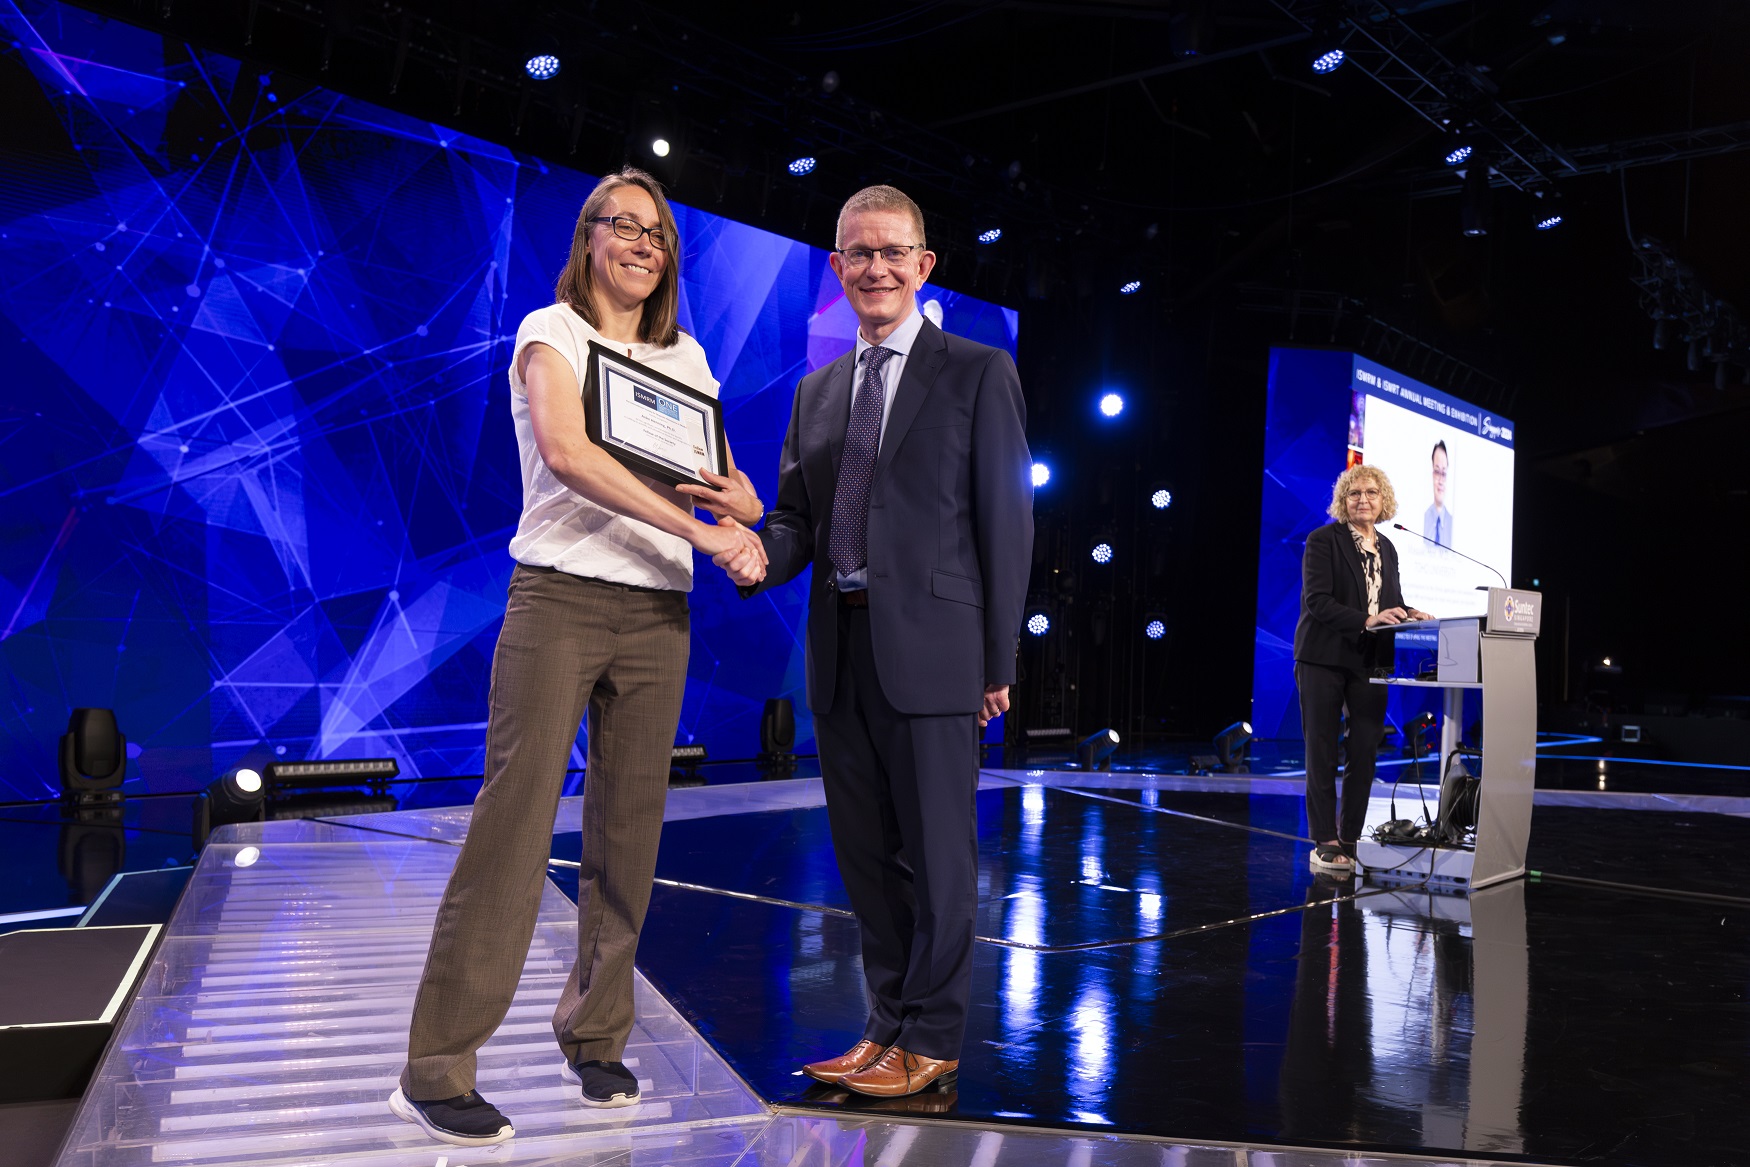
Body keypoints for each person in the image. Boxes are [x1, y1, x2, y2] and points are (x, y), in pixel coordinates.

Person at [389, 168, 768, 1147]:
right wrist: (702, 531)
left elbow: (737, 494)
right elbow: (566, 452)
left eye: (657, 234)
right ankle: (433, 1070)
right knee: (513, 830)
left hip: (658, 617)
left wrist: (738, 520)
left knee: (626, 842)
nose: (642, 244)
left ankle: (596, 1038)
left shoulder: (685, 357)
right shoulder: (548, 333)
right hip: (558, 597)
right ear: (589, 236)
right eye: (623, 226)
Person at [717, 185, 1033, 1098]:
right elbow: (796, 525)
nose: (877, 268)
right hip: (841, 653)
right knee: (864, 859)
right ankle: (883, 1024)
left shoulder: (977, 371)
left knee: (937, 862)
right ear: (837, 266)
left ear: (925, 264)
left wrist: (998, 662)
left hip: (938, 654)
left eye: (894, 252)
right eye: (859, 253)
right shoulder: (819, 392)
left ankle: (932, 1038)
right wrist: (750, 547)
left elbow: (1007, 524)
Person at [1293, 464, 1430, 876]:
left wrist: (1409, 612)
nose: (1363, 499)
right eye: (1354, 493)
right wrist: (1368, 620)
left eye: (1371, 492)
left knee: (1365, 748)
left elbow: (1391, 598)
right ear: (1343, 501)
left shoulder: (1388, 546)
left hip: (1369, 660)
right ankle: (1325, 840)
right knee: (1321, 749)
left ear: (1383, 499)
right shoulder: (1323, 541)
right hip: (1323, 657)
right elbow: (1317, 600)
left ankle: (1350, 836)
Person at [1422, 440, 1453, 548]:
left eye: (1443, 473)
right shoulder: (1423, 517)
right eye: (1437, 472)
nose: (1440, 480)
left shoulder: (1452, 522)